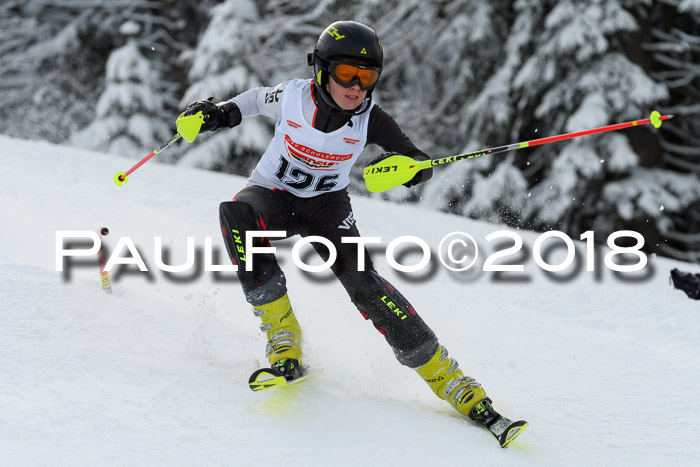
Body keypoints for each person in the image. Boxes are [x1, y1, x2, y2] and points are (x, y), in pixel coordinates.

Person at [184, 20, 524, 445]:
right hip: (273, 193)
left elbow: (411, 154)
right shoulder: (292, 96)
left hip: (326, 207)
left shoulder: (370, 119)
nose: (357, 87)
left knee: (365, 286)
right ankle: (283, 335)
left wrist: (413, 169)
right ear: (322, 71)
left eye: (368, 78)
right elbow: (251, 101)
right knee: (236, 216)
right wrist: (218, 114)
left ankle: (450, 380)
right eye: (347, 74)